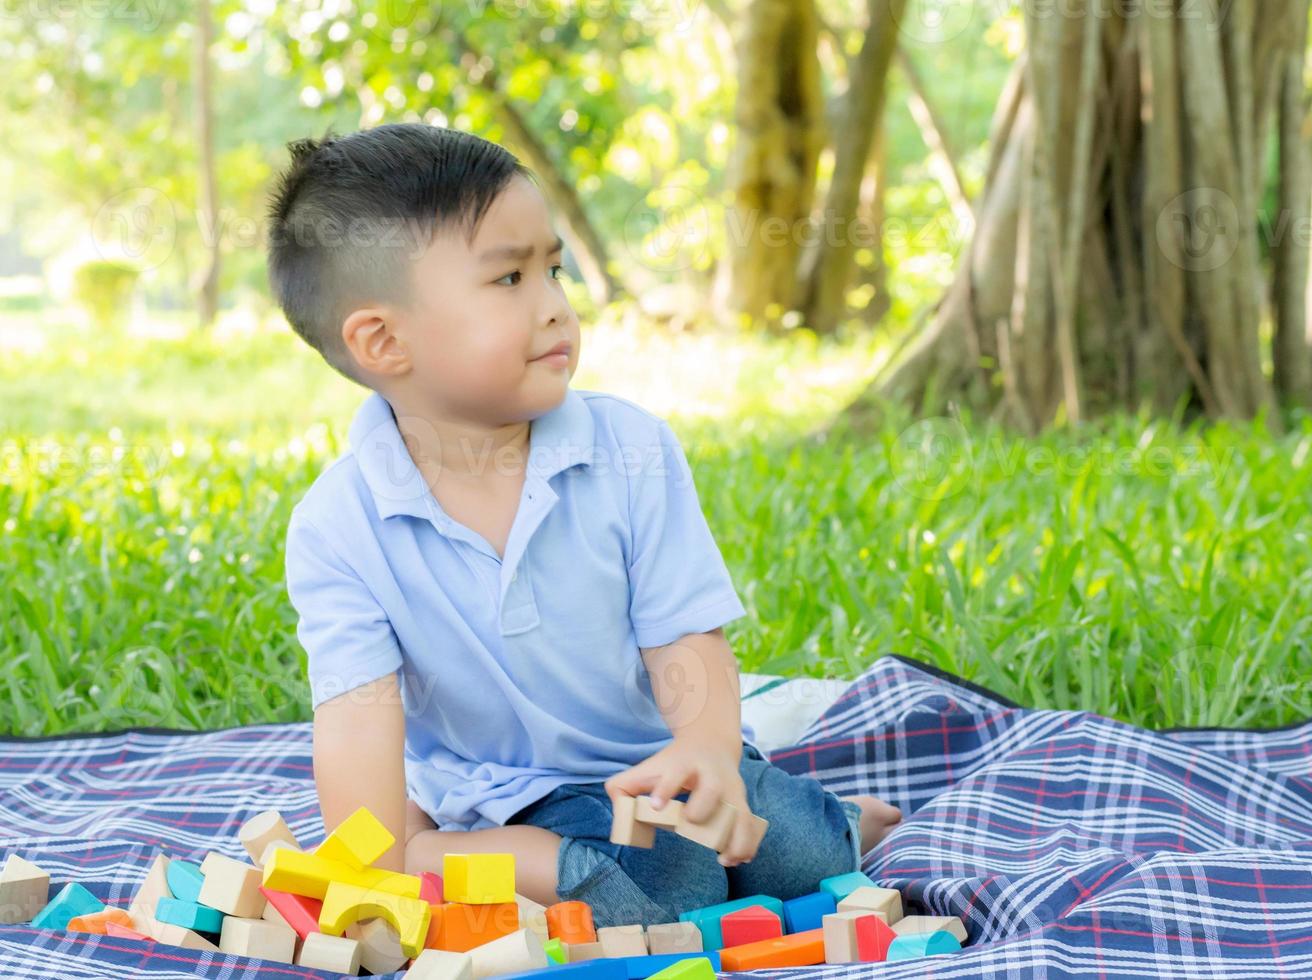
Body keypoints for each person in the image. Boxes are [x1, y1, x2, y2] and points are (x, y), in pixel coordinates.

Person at [266, 122, 900, 925]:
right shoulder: (337, 525)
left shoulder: (629, 449)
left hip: (652, 765)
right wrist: (384, 859)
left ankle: (841, 822)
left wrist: (706, 754)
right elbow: (357, 720)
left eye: (554, 270)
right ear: (383, 340)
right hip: (500, 802)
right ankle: (440, 853)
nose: (557, 309)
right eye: (509, 280)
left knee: (798, 857)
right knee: (658, 894)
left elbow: (684, 637)